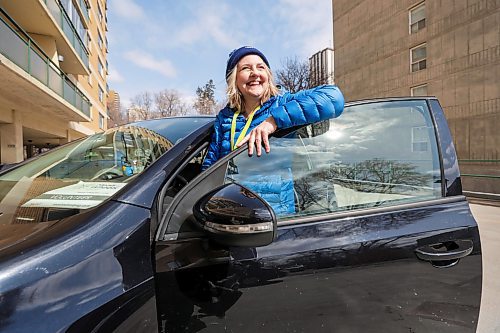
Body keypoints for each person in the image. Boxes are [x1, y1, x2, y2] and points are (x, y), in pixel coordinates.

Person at [201, 46, 345, 215]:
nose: (255, 73)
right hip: (230, 214)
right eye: (246, 68)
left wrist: (274, 120)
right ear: (234, 79)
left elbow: (334, 98)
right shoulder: (225, 118)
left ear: (268, 75)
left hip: (274, 218)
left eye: (260, 67)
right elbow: (210, 167)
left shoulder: (282, 103)